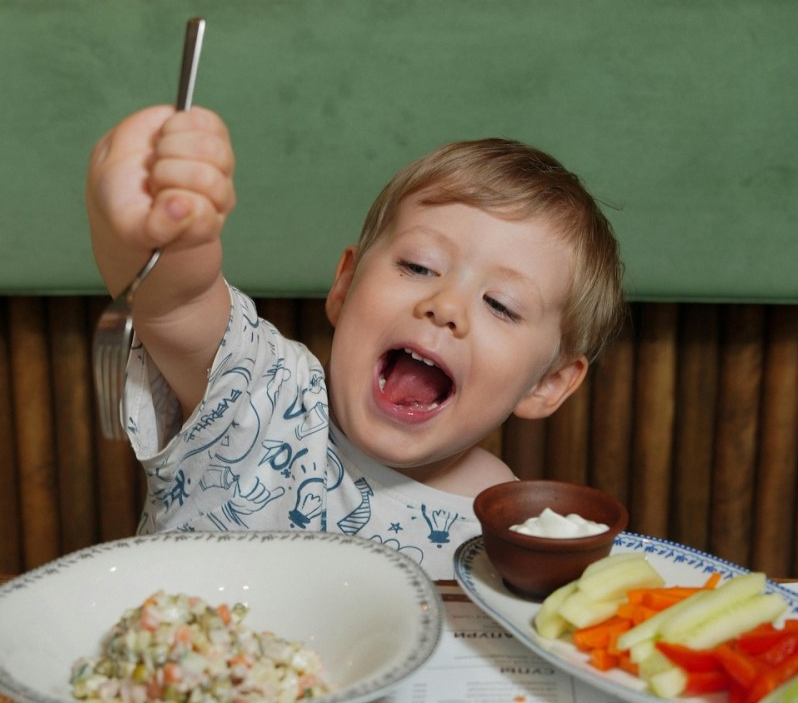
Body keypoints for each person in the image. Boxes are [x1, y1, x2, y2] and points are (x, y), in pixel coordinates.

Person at [87, 106, 625, 578]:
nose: (446, 307)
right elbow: (177, 302)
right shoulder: (262, 396)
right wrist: (160, 225)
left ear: (548, 384)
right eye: (418, 265)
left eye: (500, 304)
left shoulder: (510, 533)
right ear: (345, 285)